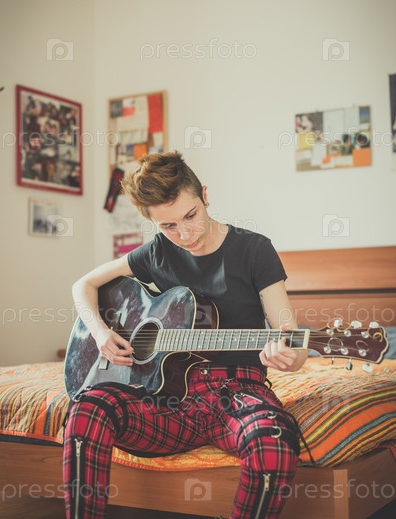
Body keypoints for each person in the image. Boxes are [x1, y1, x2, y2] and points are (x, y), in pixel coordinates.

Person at [63, 151, 308, 519]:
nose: (184, 234)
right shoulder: (157, 252)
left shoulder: (254, 249)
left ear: (205, 195)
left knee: (273, 442)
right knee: (87, 408)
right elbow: (83, 285)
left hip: (238, 392)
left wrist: (290, 357)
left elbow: (292, 339)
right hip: (168, 400)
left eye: (191, 216)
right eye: (168, 226)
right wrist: (100, 333)